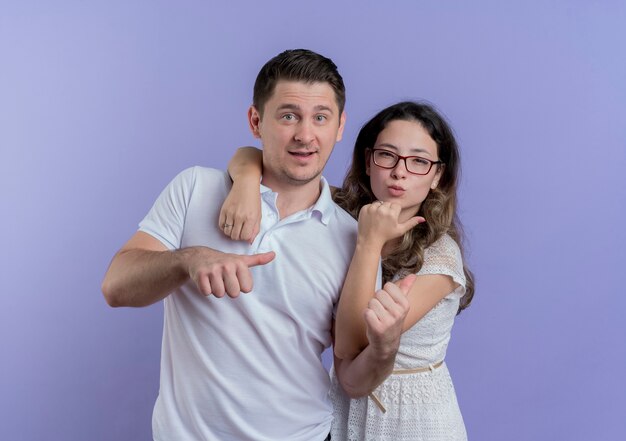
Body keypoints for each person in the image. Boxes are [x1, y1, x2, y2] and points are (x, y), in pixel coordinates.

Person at [101, 49, 413, 441]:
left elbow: (352, 378)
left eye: (320, 117)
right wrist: (188, 260)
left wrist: (385, 349)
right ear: (255, 121)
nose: (305, 134)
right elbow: (115, 287)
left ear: (339, 126)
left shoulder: (355, 239)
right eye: (288, 116)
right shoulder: (196, 188)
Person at [221, 101, 474, 440]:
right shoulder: (343, 215)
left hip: (411, 417)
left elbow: (350, 346)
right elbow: (250, 155)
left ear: (436, 176)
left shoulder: (440, 256)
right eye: (387, 155)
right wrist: (246, 182)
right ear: (368, 161)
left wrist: (368, 243)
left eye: (418, 161)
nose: (400, 172)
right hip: (340, 407)